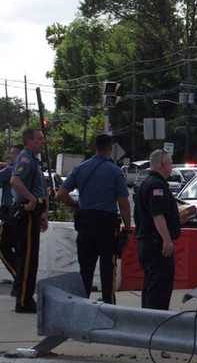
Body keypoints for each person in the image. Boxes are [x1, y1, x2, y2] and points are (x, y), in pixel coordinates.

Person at [56, 135, 131, 304]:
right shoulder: (114, 171)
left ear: (95, 148)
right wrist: (127, 228)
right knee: (107, 268)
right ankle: (108, 303)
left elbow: (60, 195)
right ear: (110, 149)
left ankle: (83, 304)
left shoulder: (81, 168)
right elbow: (124, 204)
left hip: (85, 223)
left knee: (86, 269)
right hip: (106, 224)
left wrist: (76, 205)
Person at [134, 149, 180, 310]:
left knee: (151, 286)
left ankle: (149, 322)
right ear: (162, 164)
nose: (172, 166)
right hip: (156, 244)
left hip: (148, 243)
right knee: (159, 289)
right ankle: (155, 324)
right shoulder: (156, 185)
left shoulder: (147, 182)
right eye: (170, 162)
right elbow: (157, 214)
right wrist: (166, 240)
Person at [10, 128, 48, 313]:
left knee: (30, 258)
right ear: (29, 141)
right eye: (39, 139)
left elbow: (39, 187)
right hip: (27, 212)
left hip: (34, 212)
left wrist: (43, 212)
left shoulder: (34, 160)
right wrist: (32, 199)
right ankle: (24, 300)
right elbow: (15, 181)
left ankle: (25, 296)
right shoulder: (25, 158)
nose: (43, 142)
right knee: (27, 258)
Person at [0, 144, 22, 295]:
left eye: (13, 154)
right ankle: (21, 279)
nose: (11, 156)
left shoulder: (11, 169)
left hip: (9, 214)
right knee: (20, 249)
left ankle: (19, 277)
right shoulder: (28, 168)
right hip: (21, 214)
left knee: (3, 247)